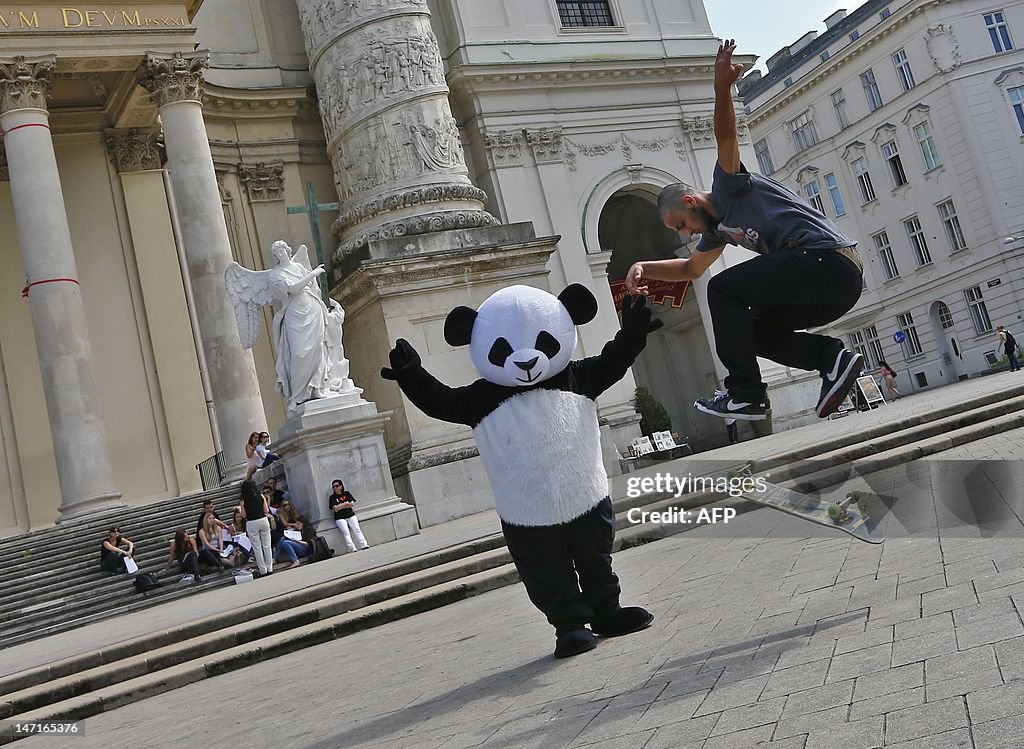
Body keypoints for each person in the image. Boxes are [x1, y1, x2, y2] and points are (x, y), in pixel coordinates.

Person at [625, 39, 864, 422]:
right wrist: (642, 266)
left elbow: (726, 137)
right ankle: (831, 358)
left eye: (682, 226)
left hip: (828, 262)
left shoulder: (728, 187)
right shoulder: (718, 230)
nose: (686, 235)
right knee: (750, 332)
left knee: (723, 291)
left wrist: (721, 89)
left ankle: (746, 394)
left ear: (690, 202)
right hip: (827, 290)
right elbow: (690, 270)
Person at [240, 479, 273, 576]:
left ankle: (263, 570)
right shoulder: (261, 496)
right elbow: (266, 510)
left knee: (257, 547)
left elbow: (244, 515)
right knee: (267, 545)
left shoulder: (244, 500)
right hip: (263, 520)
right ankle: (269, 567)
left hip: (251, 522)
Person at [327, 479, 369, 552]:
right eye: (333, 487)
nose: (335, 488)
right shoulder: (332, 497)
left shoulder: (346, 493)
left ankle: (364, 544)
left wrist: (340, 506)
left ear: (341, 486)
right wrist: (345, 504)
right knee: (346, 533)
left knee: (357, 529)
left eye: (337, 486)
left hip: (351, 515)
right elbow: (334, 508)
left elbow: (352, 504)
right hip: (340, 518)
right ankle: (352, 548)